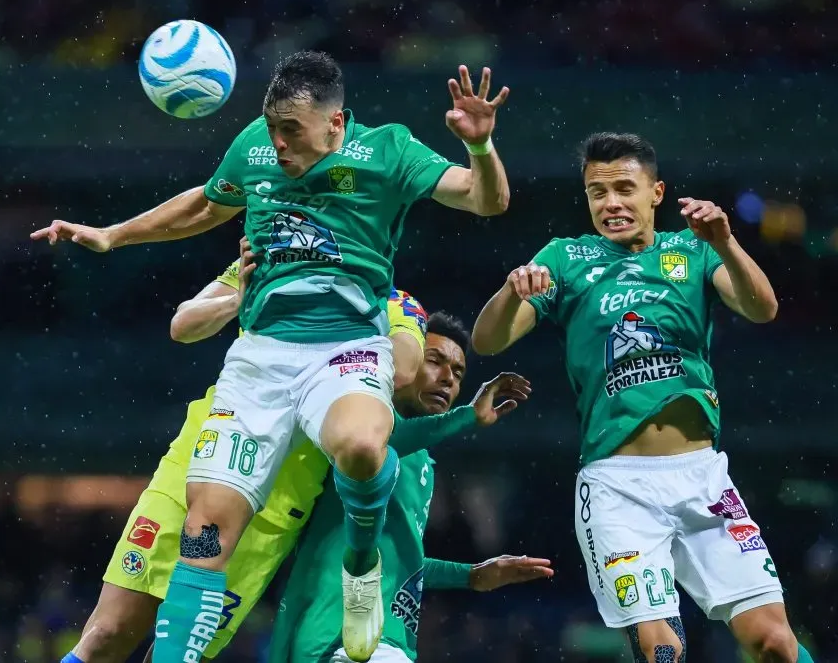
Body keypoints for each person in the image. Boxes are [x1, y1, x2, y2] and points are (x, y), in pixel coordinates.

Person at [32, 49, 511, 661]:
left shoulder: (388, 149)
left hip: (344, 350)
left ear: (336, 124)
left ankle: (359, 567)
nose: (279, 145)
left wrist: (479, 147)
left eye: (293, 131)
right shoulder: (255, 149)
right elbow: (208, 205)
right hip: (259, 361)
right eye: (274, 129)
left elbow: (484, 199)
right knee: (203, 537)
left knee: (363, 447)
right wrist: (113, 234)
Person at [471, 132, 814, 663]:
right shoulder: (565, 259)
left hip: (703, 478)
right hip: (618, 488)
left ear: (656, 192)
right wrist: (509, 290)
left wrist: (725, 240)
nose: (611, 204)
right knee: (663, 653)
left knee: (774, 643)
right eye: (596, 192)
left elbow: (761, 308)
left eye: (624, 189)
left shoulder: (694, 250)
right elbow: (487, 340)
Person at [67, 247, 431, 663]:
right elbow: (183, 325)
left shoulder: (394, 302)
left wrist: (338, 321)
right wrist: (240, 300)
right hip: (198, 472)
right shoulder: (265, 259)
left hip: (274, 515)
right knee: (107, 633)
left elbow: (402, 370)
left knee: (180, 656)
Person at [268, 312, 553, 663]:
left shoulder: (422, 464)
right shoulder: (357, 426)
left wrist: (473, 576)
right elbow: (382, 440)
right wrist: (466, 417)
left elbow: (400, 562)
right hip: (337, 637)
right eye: (434, 361)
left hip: (383, 642)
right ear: (402, 364)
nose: (447, 378)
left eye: (459, 372)